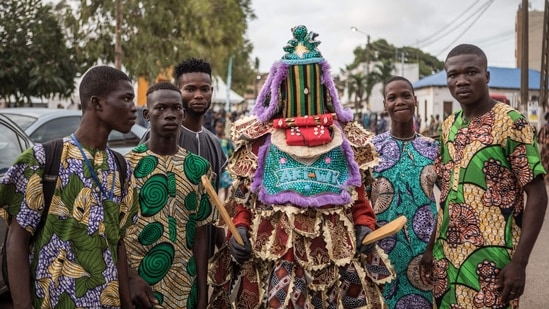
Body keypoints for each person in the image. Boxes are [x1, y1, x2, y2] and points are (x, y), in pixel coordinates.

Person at [208, 25, 394, 309]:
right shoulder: (260, 138)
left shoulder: (343, 136)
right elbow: (244, 197)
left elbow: (359, 195)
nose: (303, 90)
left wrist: (365, 225)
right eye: (294, 80)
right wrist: (241, 229)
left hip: (334, 256)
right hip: (276, 254)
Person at [420, 44, 547, 308]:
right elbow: (446, 196)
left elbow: (537, 194)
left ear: (486, 76)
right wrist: (431, 248)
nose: (461, 80)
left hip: (492, 262)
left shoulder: (511, 122)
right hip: (448, 260)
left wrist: (520, 263)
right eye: (453, 75)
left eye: (471, 72)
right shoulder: (448, 126)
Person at [0, 65, 138, 308]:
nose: (133, 108)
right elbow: (16, 240)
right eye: (126, 98)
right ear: (97, 103)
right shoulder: (44, 159)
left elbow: (118, 246)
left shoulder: (121, 168)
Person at [125, 82, 215, 309]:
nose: (170, 115)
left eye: (176, 109)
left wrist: (202, 292)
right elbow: (112, 233)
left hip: (185, 287)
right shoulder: (126, 166)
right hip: (138, 288)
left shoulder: (200, 168)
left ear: (184, 115)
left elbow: (201, 234)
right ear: (147, 114)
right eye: (161, 108)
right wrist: (128, 278)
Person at [140, 58, 226, 253]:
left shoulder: (213, 143)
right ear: (178, 93)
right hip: (161, 258)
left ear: (211, 92)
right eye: (190, 89)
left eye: (204, 89)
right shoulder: (159, 137)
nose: (198, 95)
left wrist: (225, 248)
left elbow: (212, 206)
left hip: (201, 260)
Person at [370, 76, 438, 309]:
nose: (400, 101)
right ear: (385, 105)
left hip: (423, 252)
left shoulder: (432, 149)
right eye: (392, 97)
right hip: (380, 251)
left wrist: (433, 247)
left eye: (405, 96)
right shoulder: (371, 149)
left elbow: (450, 199)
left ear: (415, 101)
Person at [214, 118, 235, 203]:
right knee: (216, 184)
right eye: (218, 127)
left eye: (222, 127)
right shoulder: (213, 139)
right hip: (215, 165)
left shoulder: (226, 141)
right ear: (215, 127)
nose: (220, 129)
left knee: (226, 182)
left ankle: (225, 201)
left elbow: (231, 152)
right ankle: (216, 202)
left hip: (225, 165)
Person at [537, 112, 549, 182]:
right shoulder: (545, 127)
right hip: (546, 151)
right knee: (546, 166)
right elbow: (540, 139)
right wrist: (546, 140)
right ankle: (546, 179)